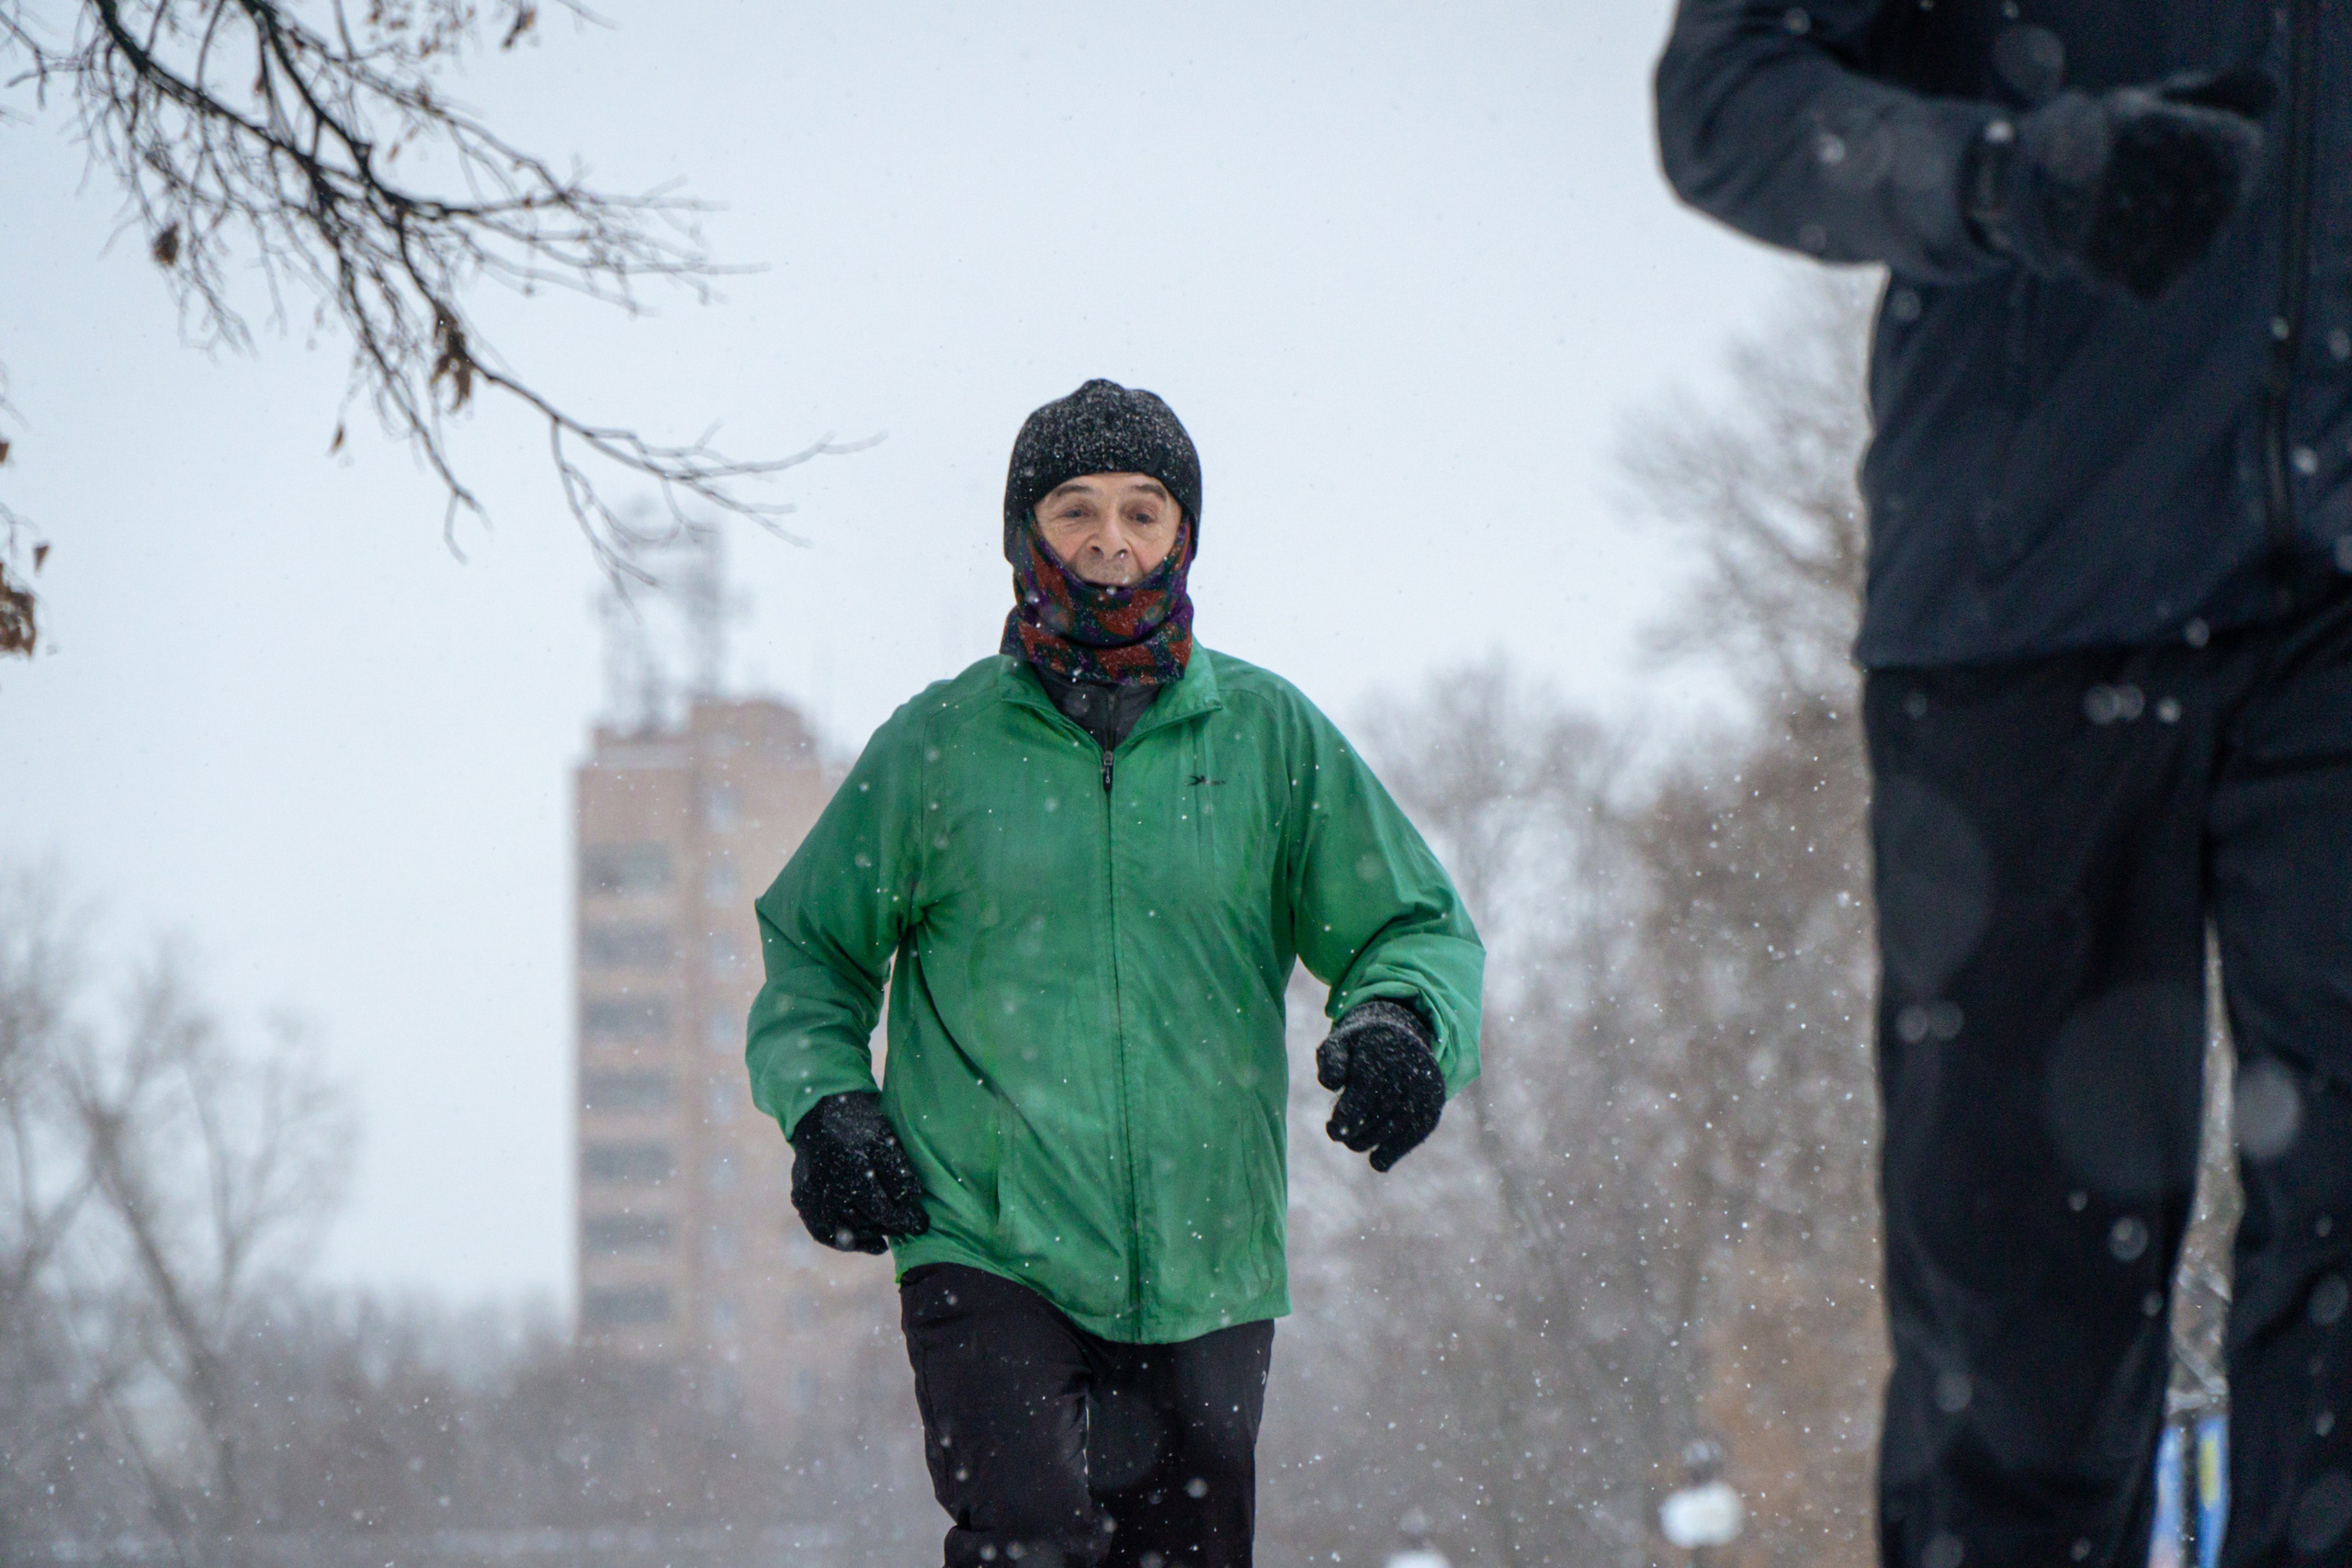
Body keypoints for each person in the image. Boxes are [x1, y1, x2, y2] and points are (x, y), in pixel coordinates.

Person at [1654, 6, 2352, 1566]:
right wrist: (2003, 175)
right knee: (2028, 1323)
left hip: (2337, 597)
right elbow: (1727, 100)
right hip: (2025, 604)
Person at [745, 378, 1485, 1568]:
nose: (1109, 540)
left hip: (1209, 1243)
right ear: (1021, 537)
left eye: (1144, 511)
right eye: (1075, 509)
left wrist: (1404, 1021)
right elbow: (814, 956)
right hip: (987, 1237)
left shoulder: (1267, 737)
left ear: (1183, 536)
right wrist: (826, 1102)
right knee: (1025, 1537)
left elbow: (1414, 922)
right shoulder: (937, 748)